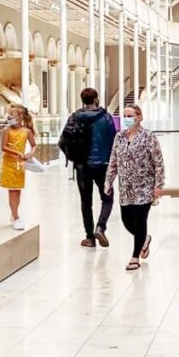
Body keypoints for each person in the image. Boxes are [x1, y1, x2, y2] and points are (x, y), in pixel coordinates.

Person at [104, 104, 164, 271]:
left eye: (130, 115)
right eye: (125, 115)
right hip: (125, 187)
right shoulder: (119, 137)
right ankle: (145, 239)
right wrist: (108, 181)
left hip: (144, 186)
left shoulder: (149, 137)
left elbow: (158, 162)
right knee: (126, 220)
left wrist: (158, 185)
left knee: (140, 220)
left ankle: (135, 257)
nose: (126, 118)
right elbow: (113, 161)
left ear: (139, 117)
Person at [59, 87, 117, 248]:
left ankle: (90, 238)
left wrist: (72, 157)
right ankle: (101, 227)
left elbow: (63, 141)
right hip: (103, 165)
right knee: (107, 198)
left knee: (86, 202)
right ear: (96, 99)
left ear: (82, 100)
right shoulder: (106, 117)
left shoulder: (75, 117)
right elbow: (114, 141)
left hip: (82, 166)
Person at [0, 104, 36, 230]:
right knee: (12, 191)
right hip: (9, 163)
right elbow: (3, 147)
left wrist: (30, 153)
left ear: (20, 116)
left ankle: (14, 213)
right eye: (8, 114)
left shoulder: (26, 131)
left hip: (20, 164)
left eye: (12, 114)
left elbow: (34, 145)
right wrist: (17, 153)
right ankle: (16, 216)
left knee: (18, 190)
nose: (9, 116)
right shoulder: (7, 130)